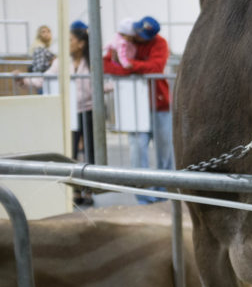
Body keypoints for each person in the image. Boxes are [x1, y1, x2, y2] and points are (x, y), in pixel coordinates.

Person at [15, 25, 109, 205]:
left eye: (71, 40)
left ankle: (89, 190)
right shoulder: (61, 62)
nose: (67, 44)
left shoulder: (93, 61)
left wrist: (103, 87)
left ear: (81, 44)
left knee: (91, 153)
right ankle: (74, 192)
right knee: (70, 152)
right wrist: (24, 80)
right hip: (70, 113)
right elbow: (43, 79)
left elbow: (106, 83)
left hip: (89, 112)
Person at [103, 15, 171, 203]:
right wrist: (133, 68)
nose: (140, 38)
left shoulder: (160, 43)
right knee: (137, 150)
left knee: (165, 151)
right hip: (134, 107)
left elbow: (156, 67)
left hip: (160, 105)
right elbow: (107, 64)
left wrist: (130, 66)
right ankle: (143, 197)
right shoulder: (123, 39)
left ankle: (164, 192)